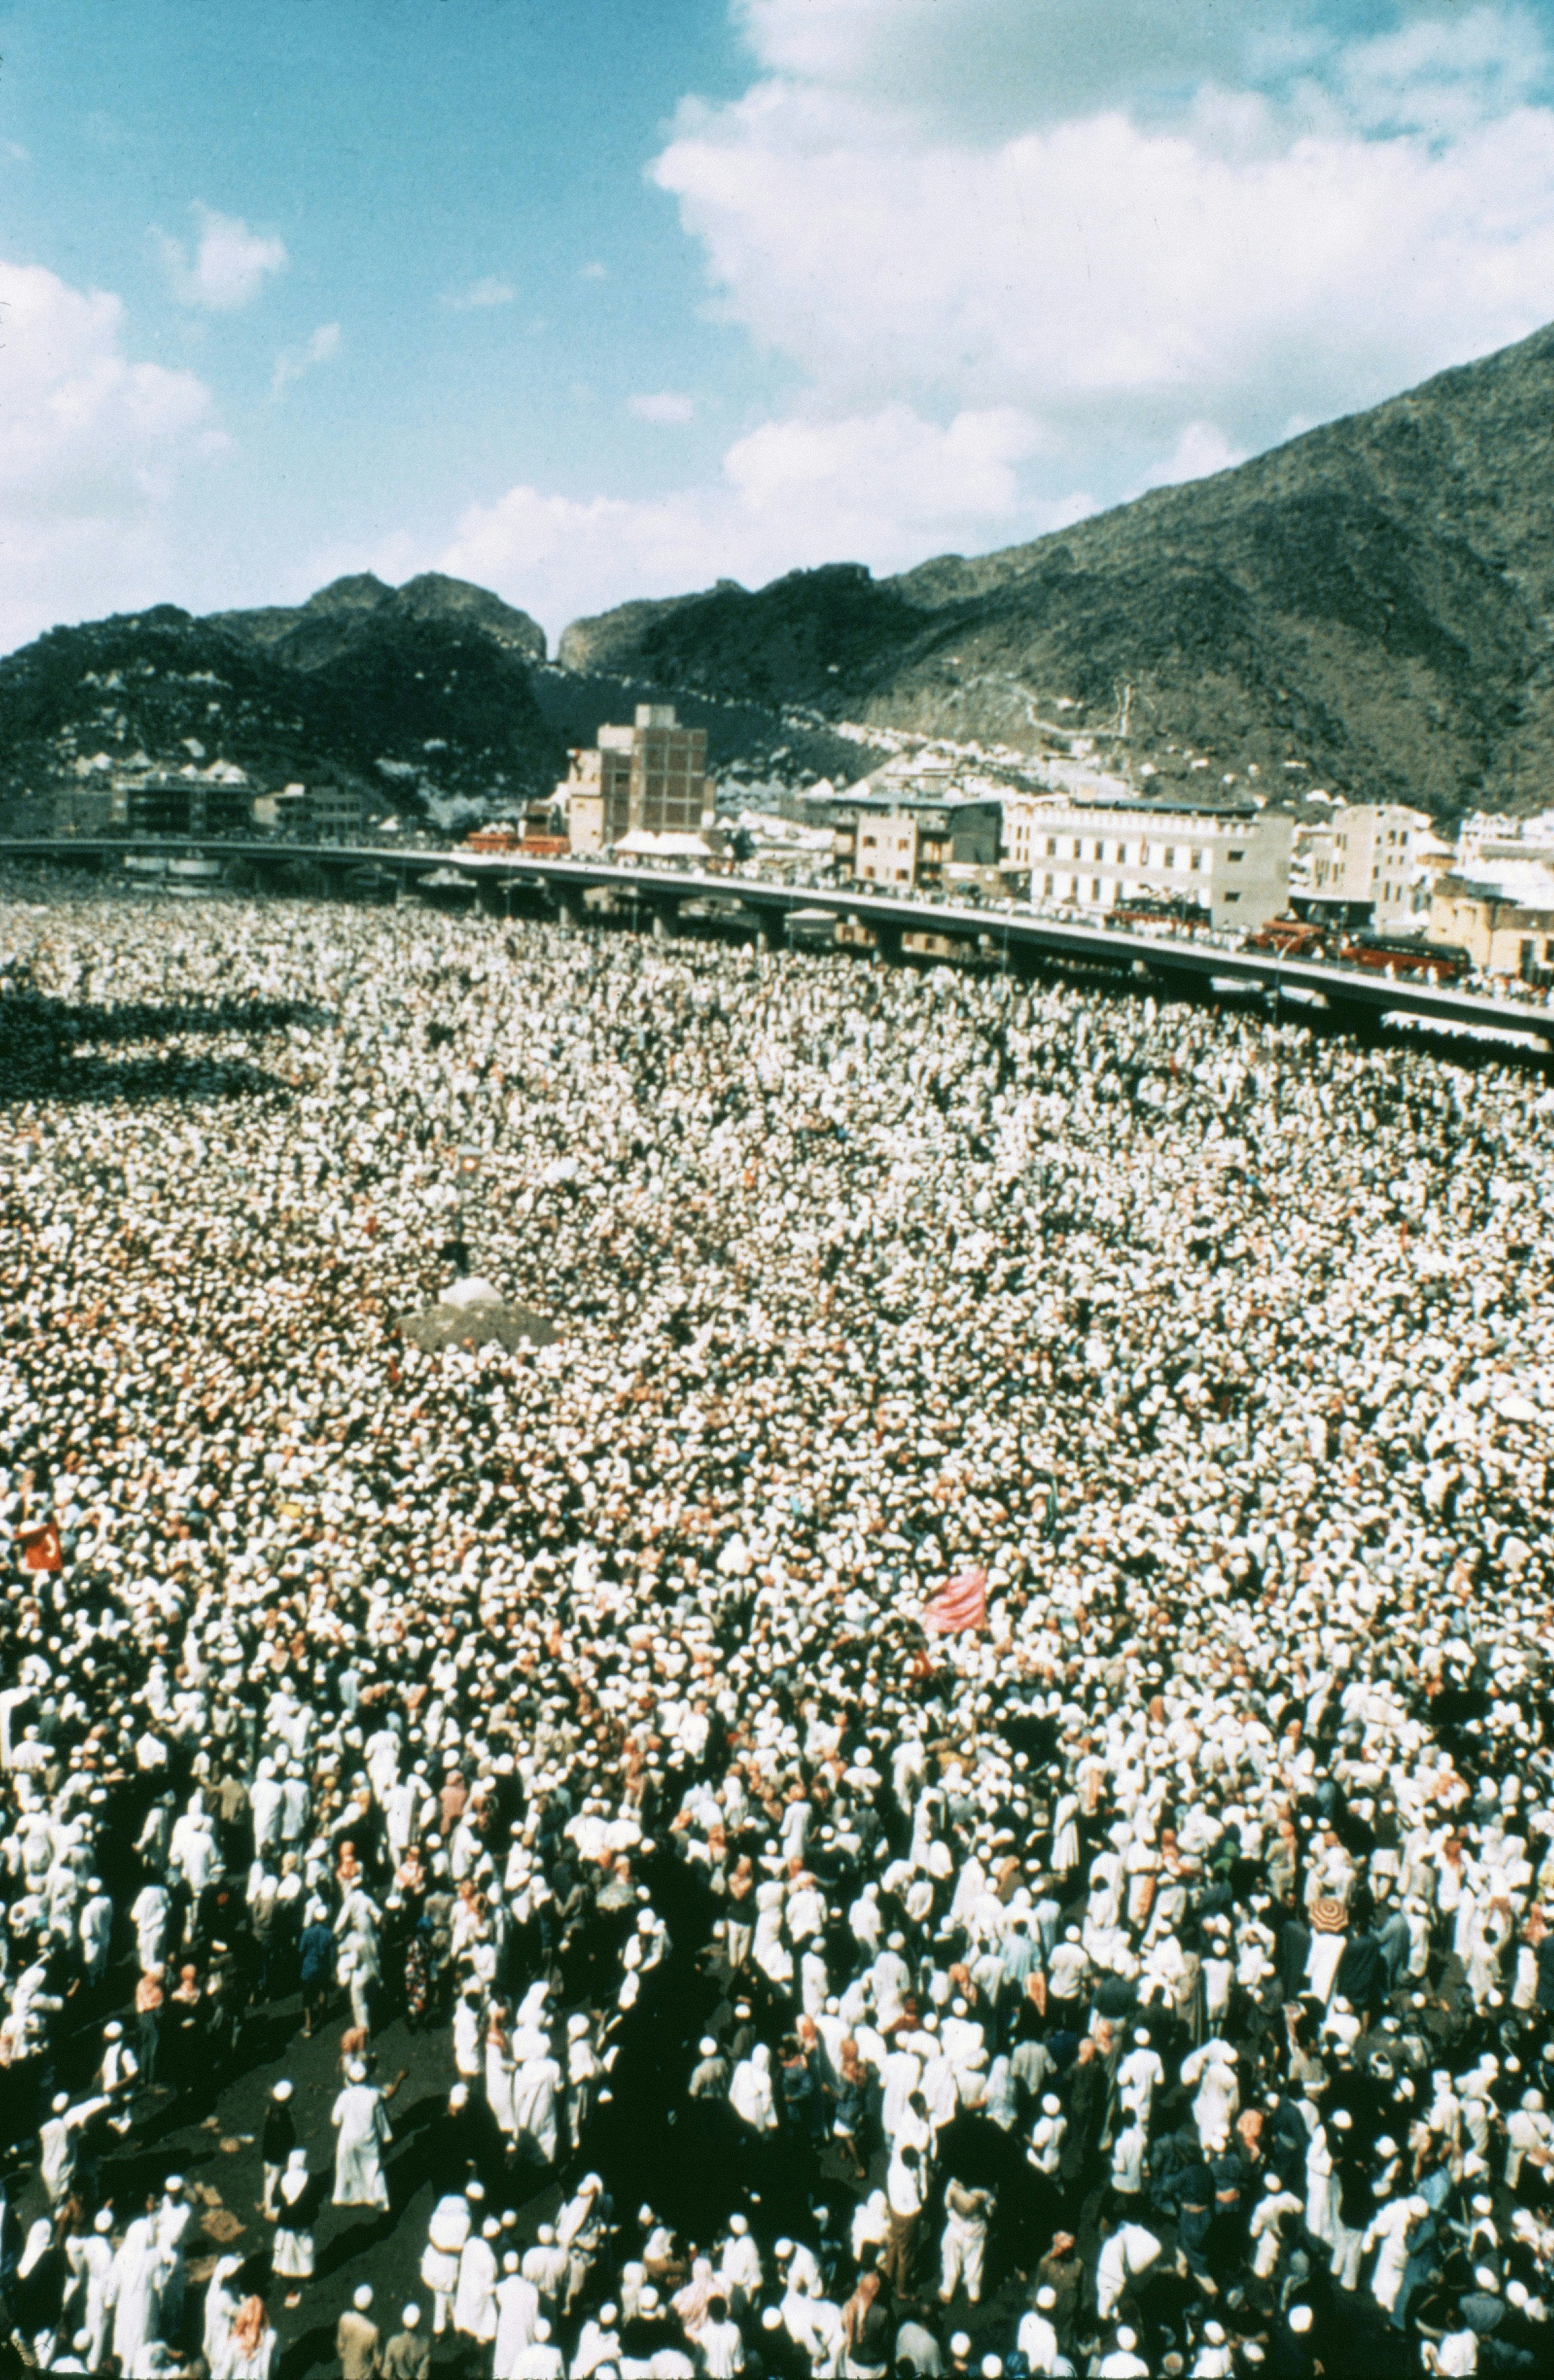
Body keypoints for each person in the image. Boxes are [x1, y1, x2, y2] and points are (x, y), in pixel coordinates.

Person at [333, 2060, 392, 2210]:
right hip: (368, 2139)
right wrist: (387, 2137)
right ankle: (380, 2202)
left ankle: (346, 2197)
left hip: (348, 2139)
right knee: (373, 2168)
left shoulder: (344, 2096)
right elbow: (381, 2120)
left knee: (346, 2167)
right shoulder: (373, 2095)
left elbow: (335, 2120)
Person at [337, 2285, 382, 2380]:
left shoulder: (345, 2318)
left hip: (348, 2370)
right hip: (364, 2374)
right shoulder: (372, 2331)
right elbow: (378, 2359)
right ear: (371, 2305)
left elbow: (341, 2345)